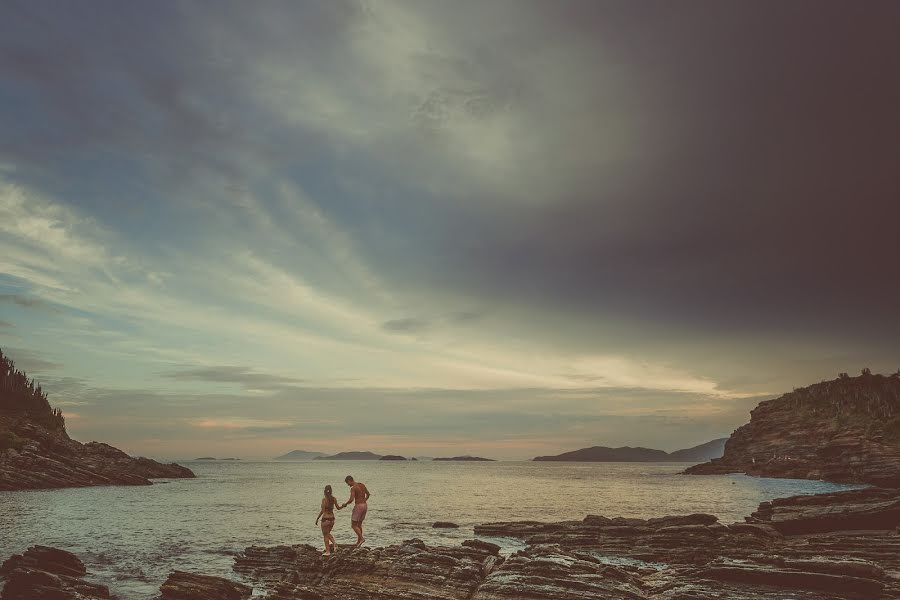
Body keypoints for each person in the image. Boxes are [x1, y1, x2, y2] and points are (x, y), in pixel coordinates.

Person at [339, 475, 370, 548]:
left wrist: (345, 504)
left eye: (348, 483)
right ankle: (359, 542)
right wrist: (364, 501)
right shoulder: (362, 485)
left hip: (359, 506)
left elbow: (351, 499)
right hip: (365, 505)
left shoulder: (354, 488)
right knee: (359, 525)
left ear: (350, 480)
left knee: (353, 525)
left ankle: (361, 538)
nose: (348, 485)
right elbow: (368, 494)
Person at [315, 484, 341, 556]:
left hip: (325, 519)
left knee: (325, 535)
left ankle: (328, 551)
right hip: (332, 519)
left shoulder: (324, 500)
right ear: (331, 491)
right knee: (327, 534)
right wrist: (343, 505)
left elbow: (322, 510)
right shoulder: (334, 499)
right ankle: (334, 545)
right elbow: (338, 508)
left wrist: (317, 519)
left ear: (324, 491)